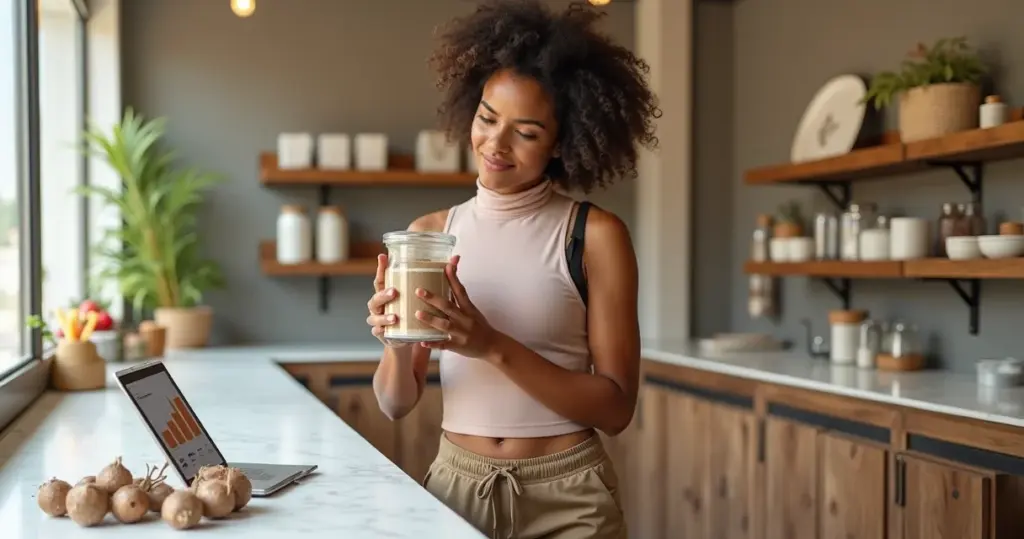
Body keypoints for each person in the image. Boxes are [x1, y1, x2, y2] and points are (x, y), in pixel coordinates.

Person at [367, 1, 659, 537]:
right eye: (486, 118)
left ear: (560, 143)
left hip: (569, 497)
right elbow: (394, 404)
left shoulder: (594, 236)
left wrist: (490, 345)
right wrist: (396, 342)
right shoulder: (429, 232)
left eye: (525, 132)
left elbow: (616, 408)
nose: (495, 145)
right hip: (457, 487)